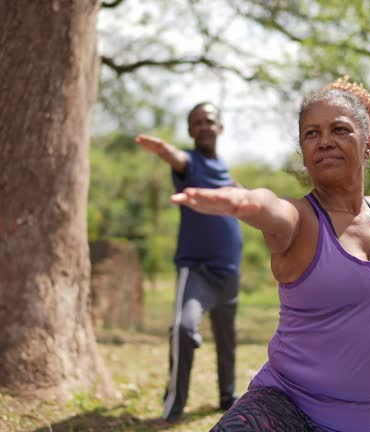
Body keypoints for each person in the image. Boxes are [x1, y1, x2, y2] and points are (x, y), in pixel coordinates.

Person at [171, 78, 370, 432]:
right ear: (304, 152)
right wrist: (240, 203)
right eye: (311, 134)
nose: (325, 141)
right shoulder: (300, 218)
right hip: (287, 407)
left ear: (367, 146)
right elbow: (268, 208)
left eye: (340, 129)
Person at [135, 102, 243, 422]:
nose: (204, 126)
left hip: (230, 272)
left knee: (227, 339)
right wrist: (164, 150)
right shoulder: (190, 163)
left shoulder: (224, 169)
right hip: (197, 270)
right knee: (183, 329)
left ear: (219, 127)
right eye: (196, 122)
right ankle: (174, 405)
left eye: (209, 120)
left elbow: (247, 201)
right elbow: (176, 158)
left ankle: (227, 396)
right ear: (190, 131)